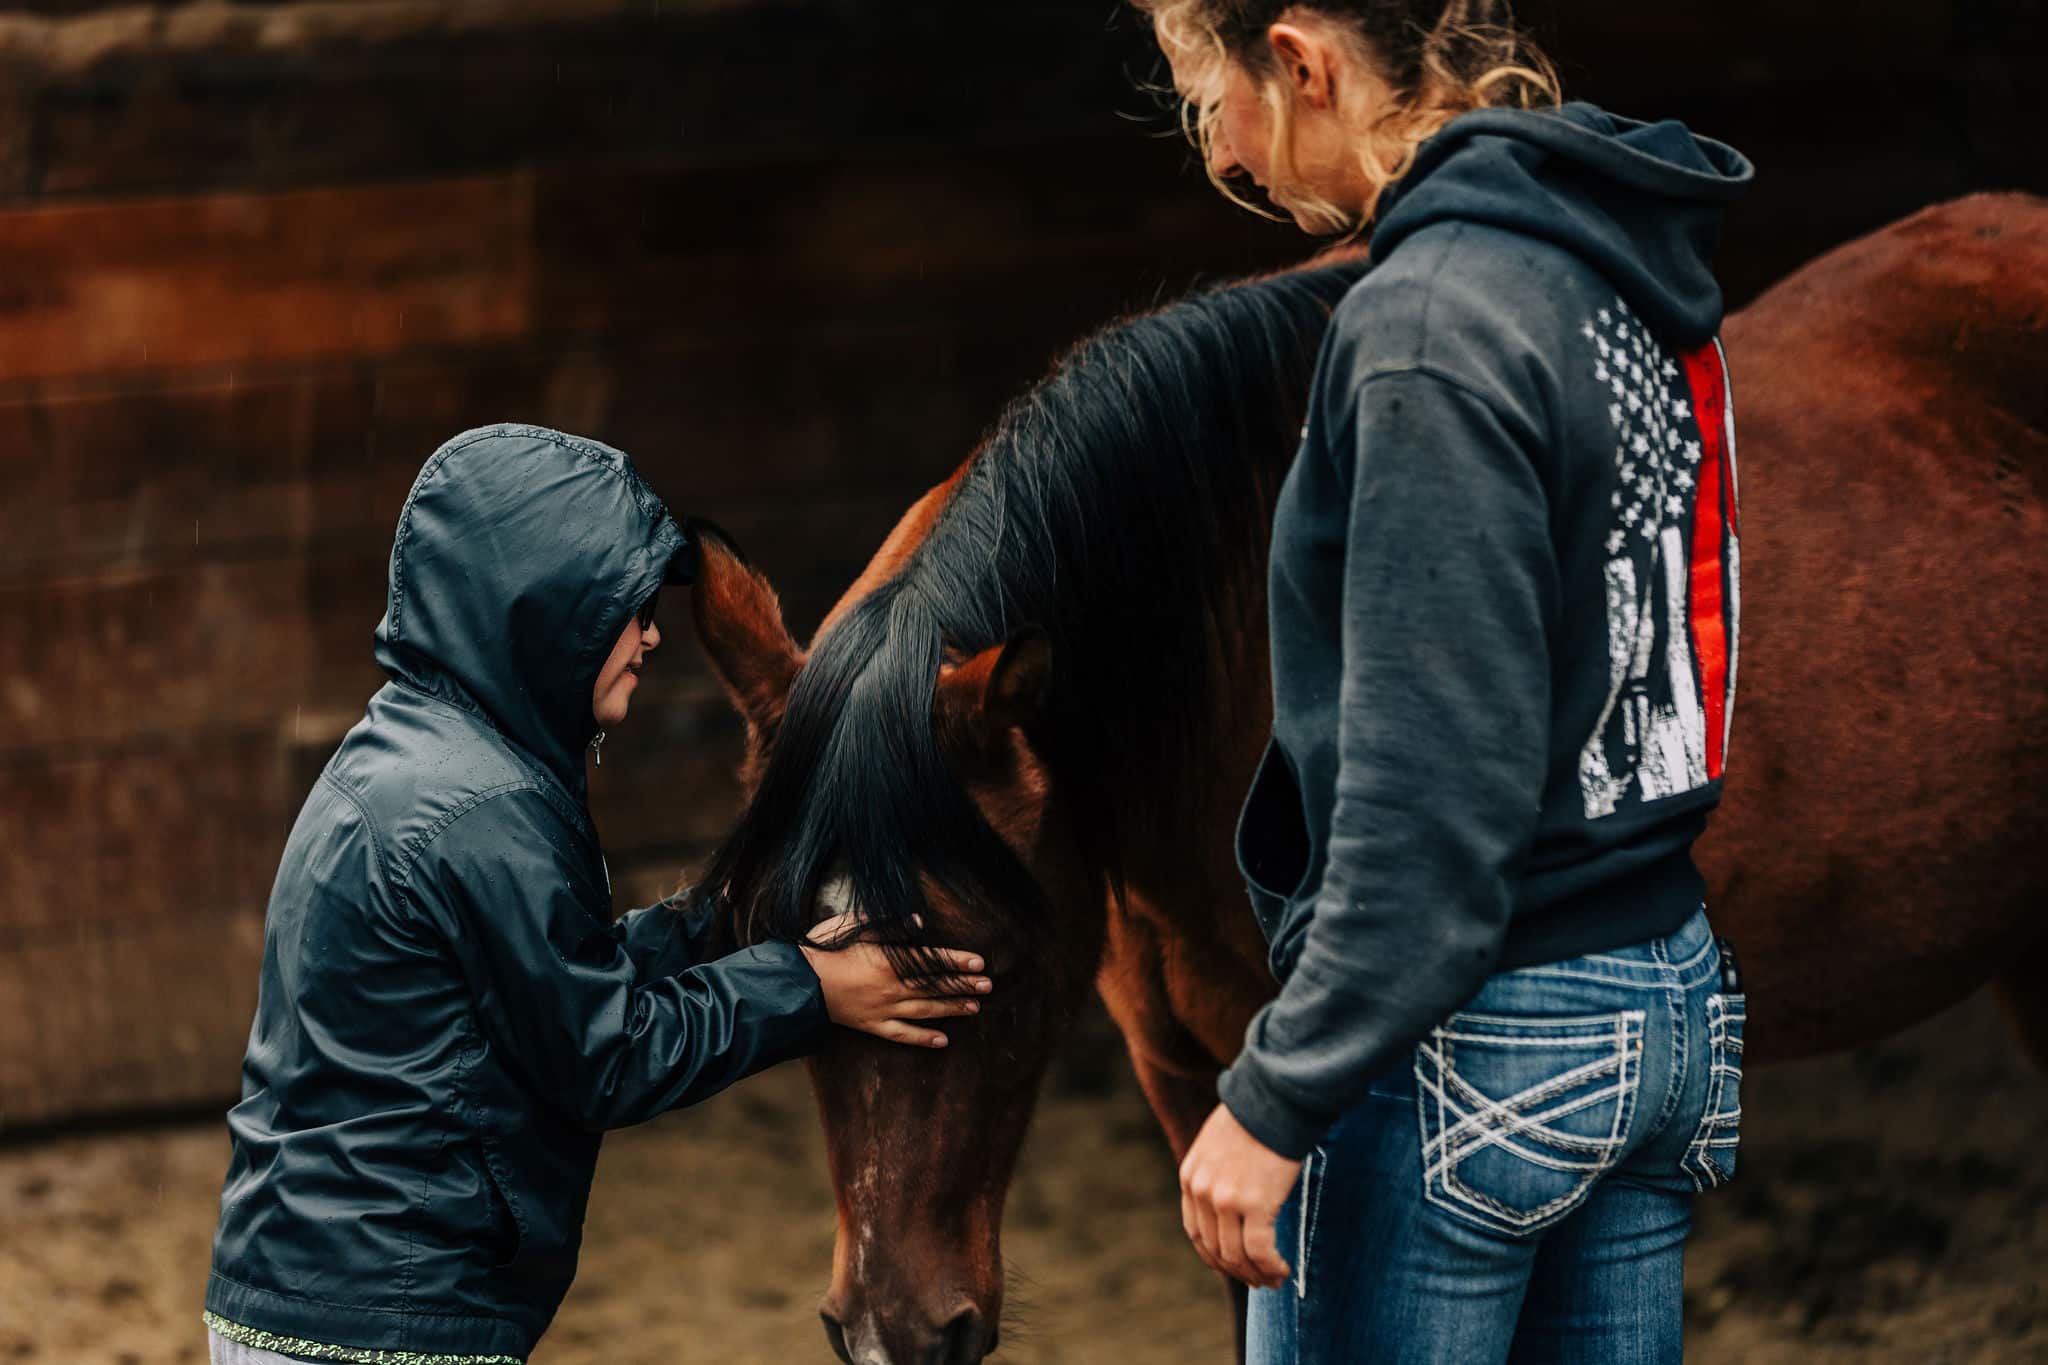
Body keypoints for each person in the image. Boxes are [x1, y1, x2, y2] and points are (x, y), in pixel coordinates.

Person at [1136, 4, 1754, 1361]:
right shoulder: (1609, 265)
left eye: (1207, 97)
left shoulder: (1425, 318)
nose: (1223, 154)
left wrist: (1276, 1092)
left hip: (1477, 1042)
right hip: (1662, 996)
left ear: (1301, 62)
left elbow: (1432, 794)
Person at [203, 424, 991, 1365]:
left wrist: (734, 913)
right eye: (627, 609)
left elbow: (553, 978)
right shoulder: (482, 808)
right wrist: (810, 989)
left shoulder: (416, 762)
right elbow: (605, 1051)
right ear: (548, 609)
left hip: (314, 1296)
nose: (652, 633)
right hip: (388, 1318)